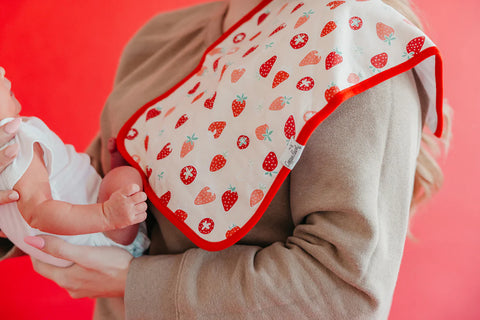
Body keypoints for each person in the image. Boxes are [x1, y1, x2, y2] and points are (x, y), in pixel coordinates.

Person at [0, 0, 451, 319]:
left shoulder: (357, 53)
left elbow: (345, 292)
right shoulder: (158, 40)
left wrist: (133, 282)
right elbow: (82, 189)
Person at [0, 67, 150, 266]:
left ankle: (113, 173)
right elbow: (39, 213)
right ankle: (116, 184)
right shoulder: (16, 145)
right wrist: (107, 215)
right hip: (100, 238)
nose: (3, 73)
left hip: (78, 241)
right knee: (124, 177)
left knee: (110, 179)